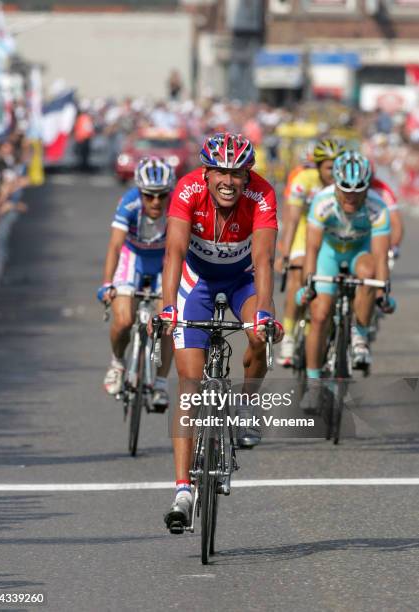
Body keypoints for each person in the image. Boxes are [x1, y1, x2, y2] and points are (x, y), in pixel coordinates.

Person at [159, 132, 284, 534]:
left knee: (258, 334)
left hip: (242, 280)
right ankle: (182, 490)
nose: (229, 181)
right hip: (196, 282)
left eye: (238, 173)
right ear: (207, 172)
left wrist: (263, 313)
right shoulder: (187, 189)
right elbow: (174, 253)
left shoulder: (262, 195)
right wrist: (166, 308)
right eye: (221, 173)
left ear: (248, 176)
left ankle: (246, 405)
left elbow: (264, 260)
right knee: (190, 384)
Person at [297, 151, 396, 413]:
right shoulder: (322, 202)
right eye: (345, 189)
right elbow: (312, 249)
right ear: (335, 185)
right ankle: (314, 384)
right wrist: (308, 285)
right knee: (319, 315)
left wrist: (383, 291)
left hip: (359, 254)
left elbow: (380, 257)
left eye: (358, 190)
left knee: (369, 272)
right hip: (328, 255)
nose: (351, 195)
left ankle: (360, 336)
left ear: (367, 187)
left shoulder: (377, 207)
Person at [97, 157, 175, 410]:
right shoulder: (129, 203)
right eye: (149, 195)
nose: (155, 202)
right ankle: (118, 363)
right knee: (124, 320)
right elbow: (115, 246)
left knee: (169, 322)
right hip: (134, 259)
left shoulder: (178, 205)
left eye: (161, 196)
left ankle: (161, 383)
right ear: (140, 192)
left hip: (164, 261)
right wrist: (107, 283)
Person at [278, 139, 346, 367]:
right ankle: (288, 333)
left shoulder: (346, 182)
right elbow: (293, 218)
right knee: (298, 275)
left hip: (331, 234)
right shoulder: (303, 180)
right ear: (317, 166)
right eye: (329, 167)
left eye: (338, 165)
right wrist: (285, 253)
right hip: (305, 231)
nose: (334, 172)